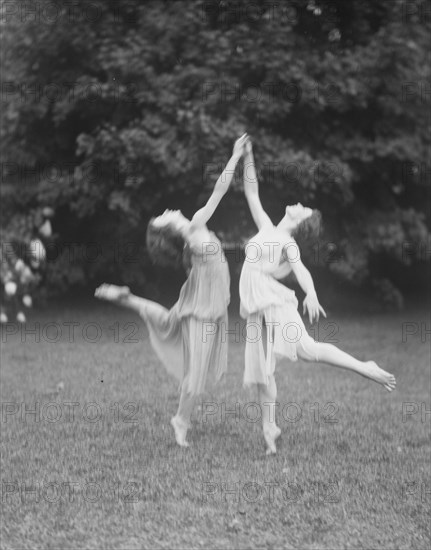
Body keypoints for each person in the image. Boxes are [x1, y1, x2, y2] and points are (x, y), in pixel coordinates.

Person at [239, 135, 396, 455]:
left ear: (299, 223)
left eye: (303, 209)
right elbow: (251, 190)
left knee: (308, 349)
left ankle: (365, 366)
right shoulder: (267, 227)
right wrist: (248, 155)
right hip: (257, 304)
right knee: (262, 368)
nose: (299, 204)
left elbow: (301, 271)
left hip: (271, 300)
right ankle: (270, 426)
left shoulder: (288, 243)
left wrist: (310, 292)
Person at [95, 134, 248, 447]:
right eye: (163, 216)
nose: (167, 210)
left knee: (176, 339)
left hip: (206, 306)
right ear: (170, 227)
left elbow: (213, 264)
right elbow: (220, 188)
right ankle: (180, 421)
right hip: (200, 310)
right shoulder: (194, 226)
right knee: (194, 377)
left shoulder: (196, 236)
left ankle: (125, 297)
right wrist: (234, 157)